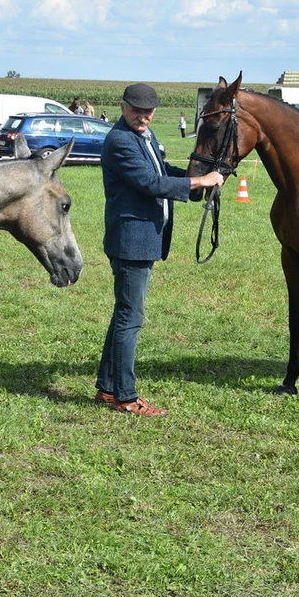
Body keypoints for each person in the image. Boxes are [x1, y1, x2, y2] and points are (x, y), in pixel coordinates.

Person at [94, 83, 225, 417]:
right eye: (137, 110)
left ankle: (108, 388)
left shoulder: (145, 137)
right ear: (123, 107)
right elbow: (149, 183)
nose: (143, 116)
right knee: (130, 317)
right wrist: (199, 182)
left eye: (149, 111)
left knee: (124, 314)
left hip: (144, 239)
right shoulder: (121, 140)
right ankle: (126, 396)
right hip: (131, 241)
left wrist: (196, 177)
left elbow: (161, 172)